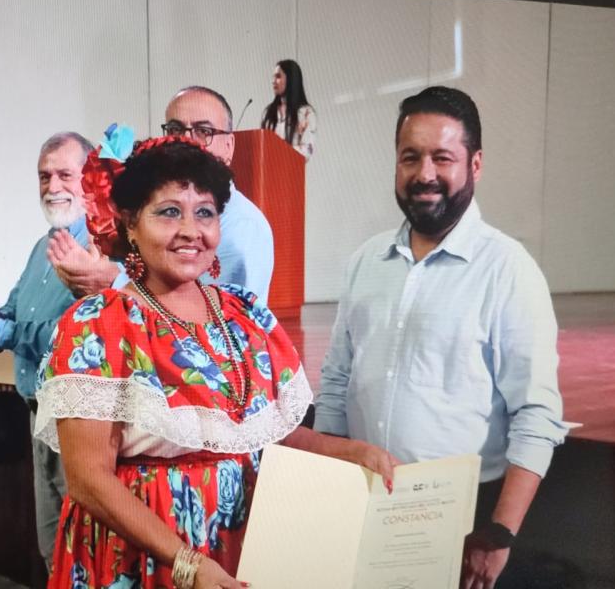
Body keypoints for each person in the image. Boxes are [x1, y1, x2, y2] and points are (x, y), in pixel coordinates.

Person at [35, 135, 396, 589]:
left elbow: (271, 438)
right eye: (169, 212)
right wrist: (185, 563)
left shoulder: (246, 317)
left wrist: (353, 452)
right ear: (129, 224)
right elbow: (88, 479)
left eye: (204, 212)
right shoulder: (99, 324)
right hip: (143, 559)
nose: (191, 230)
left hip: (239, 551)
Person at [312, 86, 568, 588]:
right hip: (363, 499)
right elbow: (338, 380)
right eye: (411, 157)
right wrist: (330, 482)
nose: (424, 174)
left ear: (475, 164)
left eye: (442, 158)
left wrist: (498, 535)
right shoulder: (367, 261)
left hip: (463, 516)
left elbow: (537, 415)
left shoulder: (508, 270)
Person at [0, 131, 94, 570]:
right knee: (53, 551)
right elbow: (13, 311)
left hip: (78, 423)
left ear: (92, 179)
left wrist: (1, 330)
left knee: (84, 555)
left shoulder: (100, 249)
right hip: (37, 414)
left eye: (65, 174)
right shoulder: (41, 246)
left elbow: (76, 338)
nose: (52, 186)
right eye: (44, 176)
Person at [48, 86, 275, 304]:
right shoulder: (150, 211)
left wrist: (114, 283)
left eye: (203, 131)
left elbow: (212, 326)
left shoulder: (242, 228)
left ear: (229, 146)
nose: (186, 141)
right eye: (176, 129)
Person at [261, 59, 316, 160]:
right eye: (273, 77)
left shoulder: (305, 113)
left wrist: (280, 153)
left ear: (290, 79)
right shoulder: (268, 113)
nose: (273, 81)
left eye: (278, 76)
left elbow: (308, 149)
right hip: (270, 171)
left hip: (292, 171)